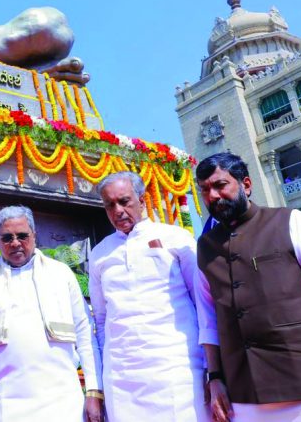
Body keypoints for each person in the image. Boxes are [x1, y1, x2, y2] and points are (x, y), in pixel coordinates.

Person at [195, 152, 301, 422]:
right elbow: (208, 322)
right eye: (205, 190)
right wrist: (215, 378)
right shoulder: (205, 247)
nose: (213, 196)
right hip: (244, 396)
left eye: (220, 185)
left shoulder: (292, 222)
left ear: (246, 185)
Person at [0, 205, 103, 422]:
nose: (15, 242)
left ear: (34, 236)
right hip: (1, 403)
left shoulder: (60, 274)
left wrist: (93, 391)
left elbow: (86, 337)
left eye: (22, 236)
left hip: (60, 401)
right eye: (7, 237)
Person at [88, 171, 209, 421]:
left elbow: (203, 303)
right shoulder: (100, 254)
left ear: (142, 200)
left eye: (124, 201)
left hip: (176, 367)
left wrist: (211, 366)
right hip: (122, 376)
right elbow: (100, 319)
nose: (118, 210)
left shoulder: (176, 238)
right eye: (110, 205)